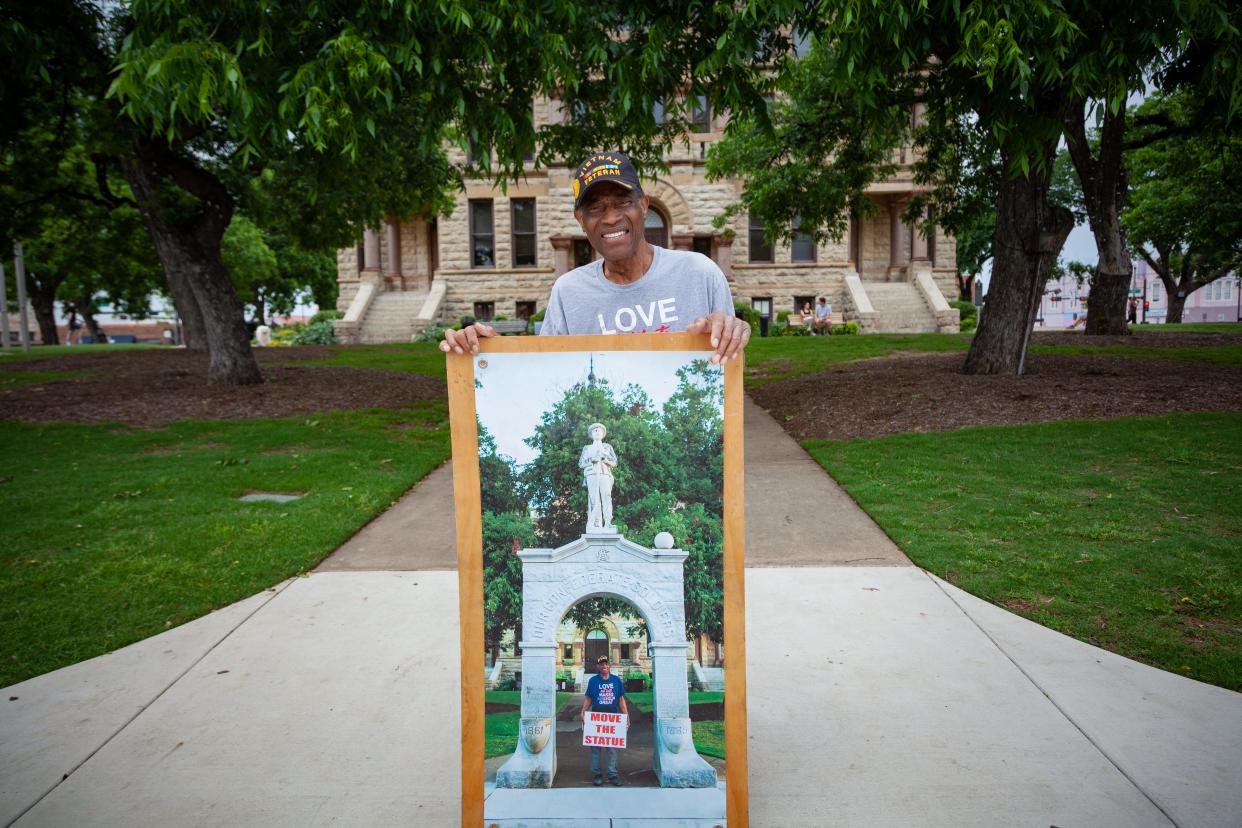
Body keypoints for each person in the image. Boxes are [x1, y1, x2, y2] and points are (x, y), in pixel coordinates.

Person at [441, 150, 751, 362]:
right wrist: (492, 355)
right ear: (580, 220)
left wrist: (734, 330)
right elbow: (547, 378)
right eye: (595, 208)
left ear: (643, 206)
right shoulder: (568, 291)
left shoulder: (699, 273)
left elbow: (725, 372)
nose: (610, 218)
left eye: (622, 202)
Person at [580, 656, 630, 786]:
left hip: (613, 719)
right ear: (598, 666)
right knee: (595, 749)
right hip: (596, 719)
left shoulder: (616, 680)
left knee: (612, 749)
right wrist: (583, 711)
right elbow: (588, 698)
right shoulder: (593, 681)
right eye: (601, 664)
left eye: (606, 664)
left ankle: (612, 774)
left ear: (609, 665)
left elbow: (620, 699)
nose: (604, 666)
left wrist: (626, 716)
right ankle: (597, 774)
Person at [579, 423, 617, 531]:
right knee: (593, 498)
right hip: (591, 473)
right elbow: (581, 463)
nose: (597, 432)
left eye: (599, 431)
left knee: (606, 496)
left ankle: (608, 522)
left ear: (603, 434)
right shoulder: (587, 448)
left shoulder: (607, 447)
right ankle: (595, 523)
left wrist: (605, 460)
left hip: (604, 473)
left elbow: (614, 462)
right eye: (595, 431)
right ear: (591, 434)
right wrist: (592, 460)